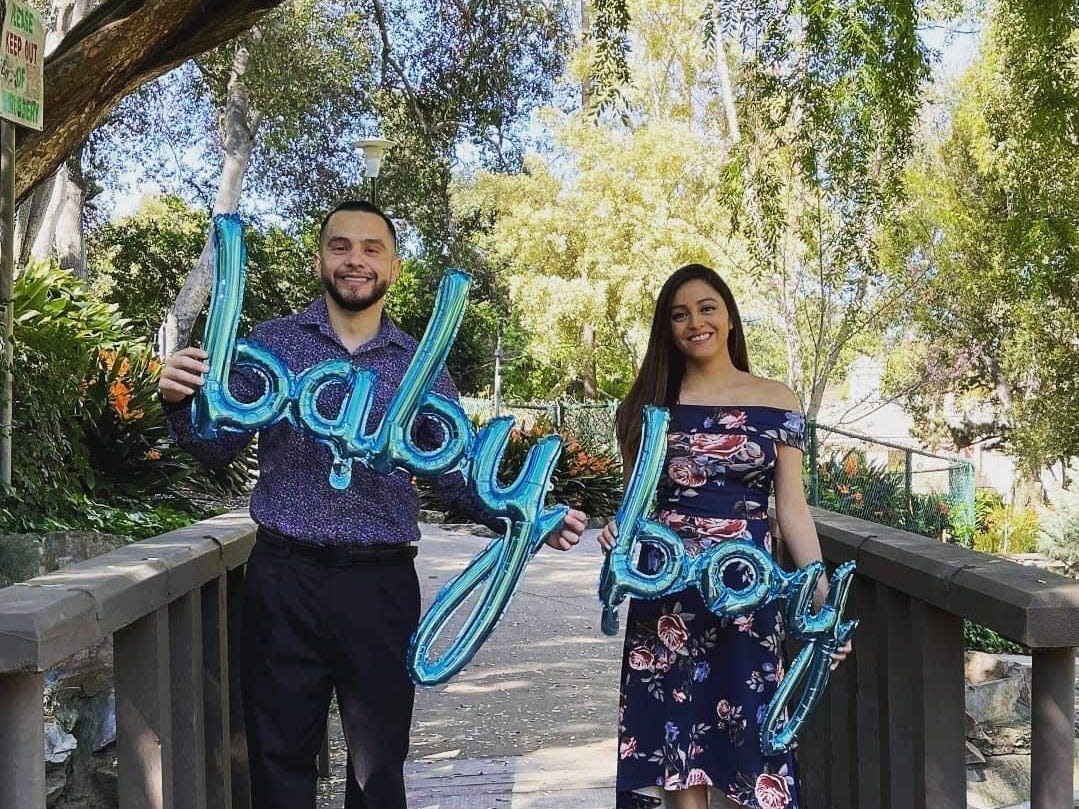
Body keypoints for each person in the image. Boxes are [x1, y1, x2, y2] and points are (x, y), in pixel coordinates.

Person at [158, 199, 587, 809]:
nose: (354, 260)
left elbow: (453, 477)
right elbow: (214, 449)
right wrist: (180, 402)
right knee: (277, 761)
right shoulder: (271, 344)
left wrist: (524, 517)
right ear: (319, 260)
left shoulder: (421, 366)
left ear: (393, 267)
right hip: (284, 579)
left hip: (380, 584)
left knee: (379, 770)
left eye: (370, 248)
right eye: (340, 247)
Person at [598, 264, 851, 809]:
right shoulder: (650, 406)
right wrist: (621, 533)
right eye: (679, 314)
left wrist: (824, 600)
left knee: (754, 758)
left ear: (730, 318)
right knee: (680, 767)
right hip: (670, 597)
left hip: (749, 595)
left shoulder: (777, 399)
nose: (695, 322)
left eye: (707, 308)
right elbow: (635, 504)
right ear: (667, 328)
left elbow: (792, 510)